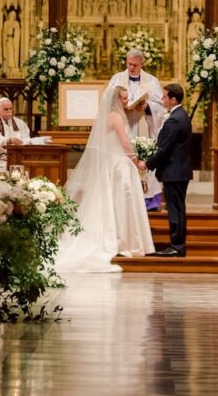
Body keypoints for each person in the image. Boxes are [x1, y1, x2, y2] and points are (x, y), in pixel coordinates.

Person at [56, 86, 154, 272]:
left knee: (117, 201)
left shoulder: (112, 116)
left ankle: (122, 239)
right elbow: (125, 142)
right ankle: (122, 241)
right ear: (116, 100)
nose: (127, 102)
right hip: (119, 164)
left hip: (115, 162)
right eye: (124, 99)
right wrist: (136, 160)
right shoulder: (116, 117)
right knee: (121, 201)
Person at [139, 83, 193, 257]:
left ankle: (177, 245)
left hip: (174, 171)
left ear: (173, 99)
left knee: (175, 209)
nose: (162, 99)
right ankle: (178, 244)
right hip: (177, 171)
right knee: (177, 208)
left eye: (164, 97)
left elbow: (165, 149)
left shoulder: (175, 119)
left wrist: (147, 164)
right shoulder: (179, 115)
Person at [108, 49, 165, 209]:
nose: (131, 67)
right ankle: (121, 200)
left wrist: (147, 106)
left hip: (143, 128)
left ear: (142, 64)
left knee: (143, 159)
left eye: (135, 65)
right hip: (122, 127)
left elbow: (161, 107)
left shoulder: (151, 81)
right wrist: (122, 106)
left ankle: (148, 201)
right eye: (129, 64)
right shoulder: (117, 79)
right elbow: (108, 102)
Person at [0, 96, 50, 175]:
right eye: (6, 109)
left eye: (11, 109)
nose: (9, 111)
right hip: (0, 162)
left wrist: (39, 140)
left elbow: (25, 141)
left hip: (20, 161)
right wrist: (8, 140)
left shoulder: (20, 123)